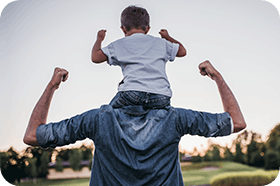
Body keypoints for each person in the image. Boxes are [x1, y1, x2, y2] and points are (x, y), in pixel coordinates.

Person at [23, 60, 246, 186]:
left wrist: (52, 86)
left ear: (122, 87)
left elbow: (33, 135)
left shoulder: (98, 119)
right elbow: (236, 122)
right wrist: (217, 76)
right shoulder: (175, 118)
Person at [91, 5, 187, 109]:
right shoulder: (161, 43)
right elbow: (182, 51)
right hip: (161, 96)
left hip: (132, 94)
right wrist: (167, 37)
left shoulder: (119, 44)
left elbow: (95, 57)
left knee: (108, 113)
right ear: (148, 29)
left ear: (123, 29)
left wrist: (99, 39)